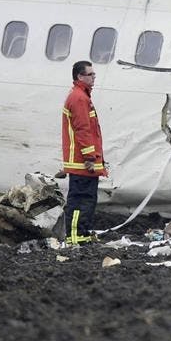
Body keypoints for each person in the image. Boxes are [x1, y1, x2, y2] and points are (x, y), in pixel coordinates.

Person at [61, 61, 107, 244]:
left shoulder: (81, 96)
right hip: (82, 162)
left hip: (84, 161)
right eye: (90, 74)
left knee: (87, 199)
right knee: (81, 200)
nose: (94, 77)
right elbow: (83, 130)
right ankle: (75, 236)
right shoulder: (79, 98)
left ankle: (82, 233)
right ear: (80, 77)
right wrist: (90, 157)